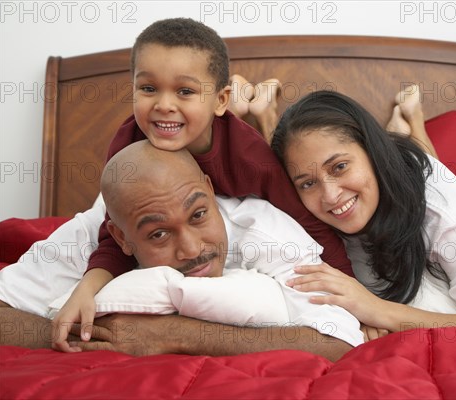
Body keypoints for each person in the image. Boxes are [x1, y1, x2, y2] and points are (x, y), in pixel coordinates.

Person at [53, 18, 355, 350]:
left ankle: (259, 111)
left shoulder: (249, 157)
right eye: (148, 88)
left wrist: (352, 294)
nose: (164, 104)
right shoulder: (128, 147)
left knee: (277, 150)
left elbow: (308, 221)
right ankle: (254, 105)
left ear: (219, 100)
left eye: (185, 91)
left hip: (238, 142)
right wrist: (87, 290)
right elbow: (113, 233)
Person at [0, 140, 362, 361]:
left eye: (199, 214)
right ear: (121, 237)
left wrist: (170, 334)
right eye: (158, 234)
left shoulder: (264, 231)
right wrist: (92, 336)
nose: (192, 249)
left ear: (207, 189)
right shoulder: (89, 233)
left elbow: (340, 341)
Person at [270, 90, 456, 338]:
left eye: (339, 167)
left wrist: (377, 310)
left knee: (427, 171)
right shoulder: (300, 208)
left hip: (414, 187)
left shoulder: (447, 212)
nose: (330, 195)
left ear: (372, 151)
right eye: (308, 183)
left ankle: (413, 121)